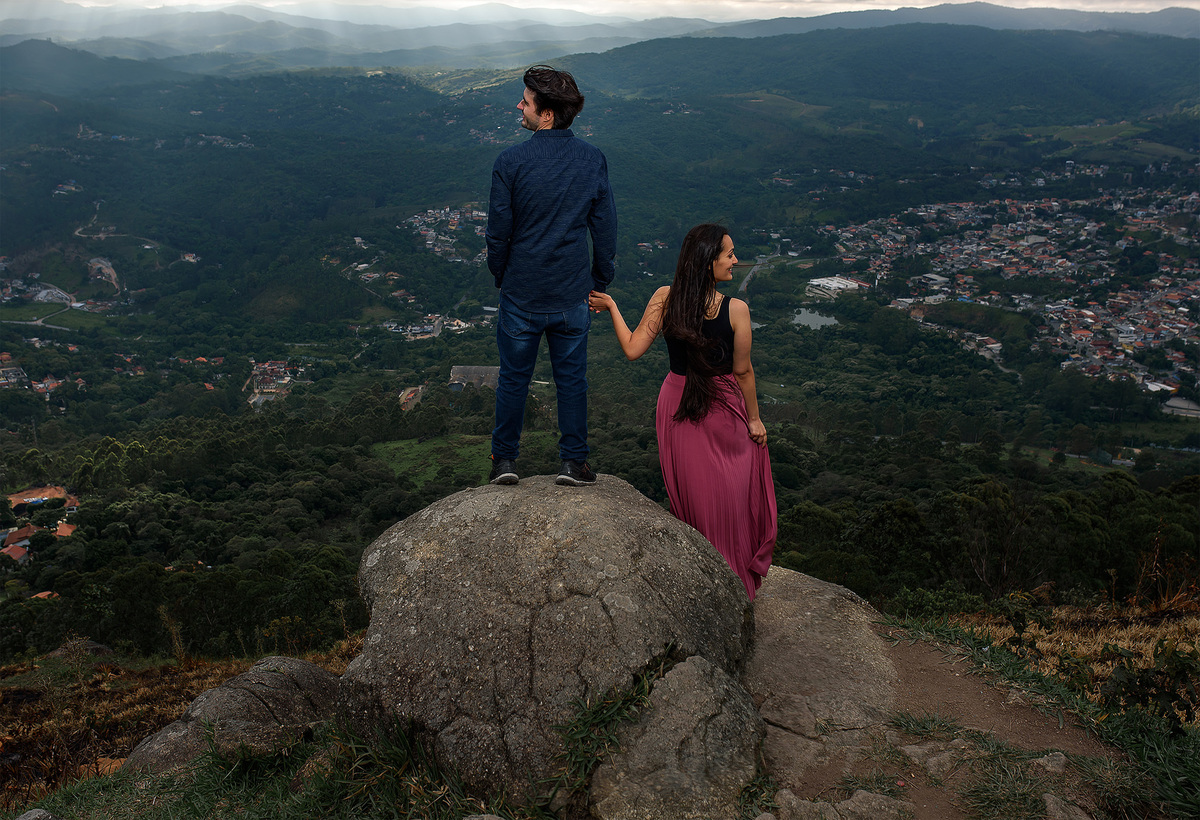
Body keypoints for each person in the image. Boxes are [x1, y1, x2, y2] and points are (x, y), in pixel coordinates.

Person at [588, 224, 776, 599]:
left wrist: (612, 306)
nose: (736, 261)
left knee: (693, 502)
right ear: (709, 262)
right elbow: (742, 371)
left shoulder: (664, 297)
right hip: (721, 405)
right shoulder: (736, 309)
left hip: (676, 404)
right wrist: (754, 419)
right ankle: (734, 583)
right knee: (732, 499)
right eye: (729, 254)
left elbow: (631, 349)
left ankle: (702, 584)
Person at [485, 64, 617, 487]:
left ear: (545, 114)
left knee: (513, 380)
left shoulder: (510, 162)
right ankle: (573, 463)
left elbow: (498, 233)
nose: (518, 106)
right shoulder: (592, 159)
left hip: (522, 292)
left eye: (525, 101)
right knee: (572, 380)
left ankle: (504, 461)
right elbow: (605, 226)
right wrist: (600, 279)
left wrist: (502, 276)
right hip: (571, 292)